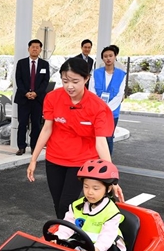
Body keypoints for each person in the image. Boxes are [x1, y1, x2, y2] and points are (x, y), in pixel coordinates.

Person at [27, 57, 124, 219]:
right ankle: (66, 234)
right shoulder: (52, 98)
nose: (69, 86)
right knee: (58, 203)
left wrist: (111, 178)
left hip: (81, 162)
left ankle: (66, 237)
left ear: (86, 79)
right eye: (65, 81)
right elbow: (46, 129)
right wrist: (33, 159)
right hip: (54, 159)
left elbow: (101, 142)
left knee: (67, 204)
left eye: (75, 81)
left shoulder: (98, 107)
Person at [55, 159, 126, 251]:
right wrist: (58, 237)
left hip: (107, 249)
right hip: (83, 245)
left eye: (96, 188)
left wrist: (97, 248)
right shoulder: (76, 206)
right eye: (86, 187)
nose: (89, 192)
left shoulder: (111, 212)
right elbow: (67, 226)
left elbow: (108, 235)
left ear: (108, 188)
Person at [14, 39, 50, 155]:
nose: (35, 49)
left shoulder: (45, 64)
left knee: (36, 123)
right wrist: (26, 93)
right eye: (32, 47)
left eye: (37, 47)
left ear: (40, 49)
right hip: (23, 98)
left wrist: (36, 93)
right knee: (22, 123)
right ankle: (21, 146)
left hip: (37, 99)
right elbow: (18, 80)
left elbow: (45, 81)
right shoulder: (21, 63)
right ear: (28, 49)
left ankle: (34, 146)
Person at [89, 45, 126, 155]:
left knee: (109, 137)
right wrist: (100, 107)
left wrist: (106, 109)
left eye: (110, 56)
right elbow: (92, 91)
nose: (108, 58)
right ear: (102, 58)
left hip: (112, 112)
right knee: (96, 135)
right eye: (105, 56)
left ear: (115, 57)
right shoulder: (96, 73)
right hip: (97, 110)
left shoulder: (121, 74)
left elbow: (120, 94)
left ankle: (107, 162)